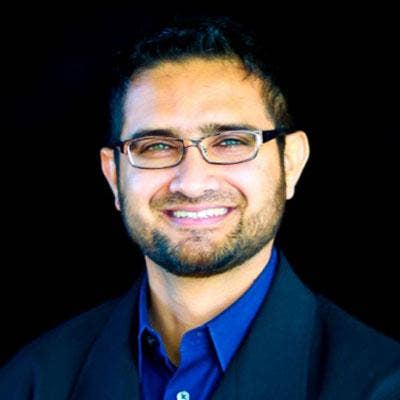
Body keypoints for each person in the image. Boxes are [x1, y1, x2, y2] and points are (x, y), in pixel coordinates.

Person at [1, 16, 399, 400]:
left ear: (290, 162)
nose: (191, 183)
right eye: (157, 146)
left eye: (230, 142)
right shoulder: (31, 382)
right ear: (113, 175)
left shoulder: (384, 385)